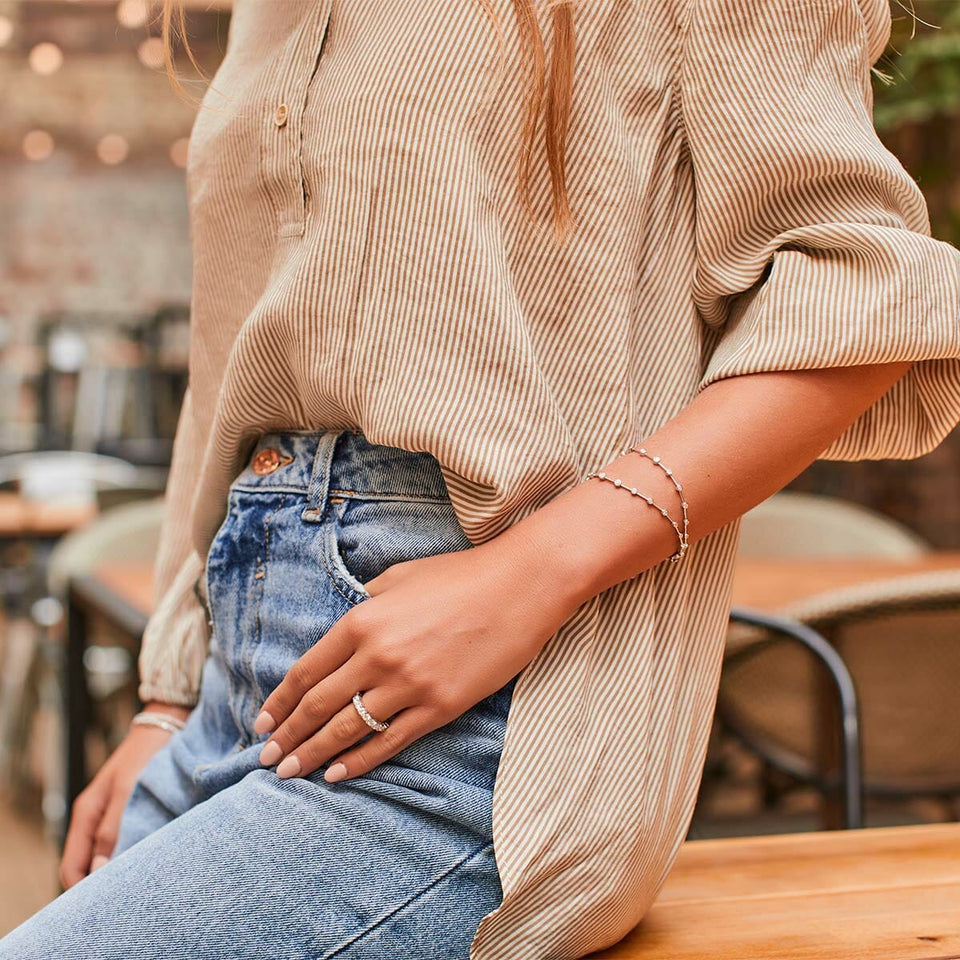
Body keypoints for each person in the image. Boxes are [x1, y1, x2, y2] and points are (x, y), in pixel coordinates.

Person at [4, 0, 960, 957]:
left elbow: (862, 297)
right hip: (231, 679)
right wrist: (167, 699)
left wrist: (534, 568)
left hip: (487, 720)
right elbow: (224, 380)